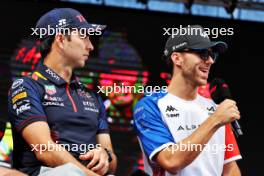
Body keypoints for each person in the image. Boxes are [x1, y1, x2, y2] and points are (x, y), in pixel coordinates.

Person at [8, 8, 117, 176]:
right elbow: (45, 150)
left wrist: (105, 155)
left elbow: (112, 161)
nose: (91, 46)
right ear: (60, 40)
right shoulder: (26, 86)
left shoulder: (93, 97)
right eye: (84, 36)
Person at [133, 25, 242, 176]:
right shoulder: (150, 106)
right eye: (203, 53)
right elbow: (171, 161)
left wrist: (217, 117)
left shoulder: (216, 109)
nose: (210, 61)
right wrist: (215, 120)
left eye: (212, 55)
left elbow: (230, 168)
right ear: (177, 58)